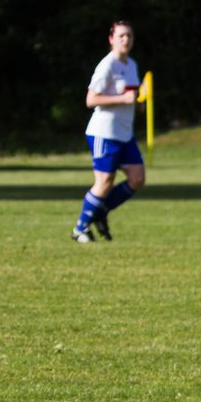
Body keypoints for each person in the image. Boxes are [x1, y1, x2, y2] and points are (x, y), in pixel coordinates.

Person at [71, 20, 144, 243]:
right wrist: (123, 98)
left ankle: (100, 213)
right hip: (104, 133)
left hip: (124, 134)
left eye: (129, 36)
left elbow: (132, 96)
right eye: (121, 36)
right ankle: (80, 229)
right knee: (104, 182)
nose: (126, 40)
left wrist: (139, 103)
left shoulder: (131, 65)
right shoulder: (107, 66)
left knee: (137, 178)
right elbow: (91, 99)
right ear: (111, 39)